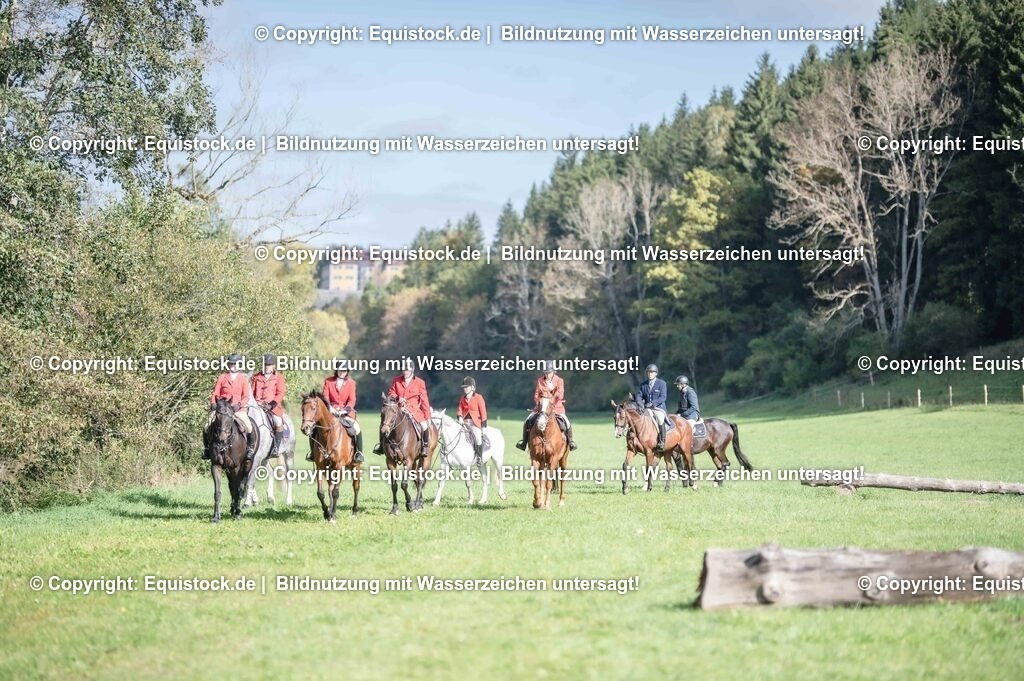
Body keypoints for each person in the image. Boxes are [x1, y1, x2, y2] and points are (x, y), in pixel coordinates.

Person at [515, 360, 577, 451]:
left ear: (553, 372)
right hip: (541, 408)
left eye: (549, 372)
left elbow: (561, 394)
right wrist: (539, 404)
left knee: (566, 422)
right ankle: (523, 443)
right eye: (546, 372)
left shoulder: (559, 381)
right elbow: (536, 395)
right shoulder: (540, 380)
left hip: (556, 408)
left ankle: (571, 442)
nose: (547, 374)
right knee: (527, 420)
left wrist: (552, 391)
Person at [376, 359, 432, 458]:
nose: (405, 372)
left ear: (412, 370)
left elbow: (424, 401)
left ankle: (425, 447)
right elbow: (391, 394)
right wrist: (398, 398)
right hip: (398, 409)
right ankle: (381, 446)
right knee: (384, 424)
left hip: (414, 410)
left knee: (424, 426)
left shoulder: (420, 382)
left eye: (407, 370)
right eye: (403, 370)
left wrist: (427, 417)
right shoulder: (396, 380)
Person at [205, 353, 256, 460]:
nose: (233, 366)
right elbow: (215, 393)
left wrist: (239, 405)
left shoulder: (243, 379)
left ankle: (251, 448)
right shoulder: (222, 377)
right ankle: (207, 449)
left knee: (249, 426)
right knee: (206, 425)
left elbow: (246, 396)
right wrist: (213, 403)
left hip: (237, 409)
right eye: (231, 364)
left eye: (235, 364)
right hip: (222, 409)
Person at [318, 361, 364, 464]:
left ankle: (359, 453)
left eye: (344, 371)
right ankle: (313, 453)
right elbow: (325, 396)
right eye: (340, 370)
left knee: (356, 427)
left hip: (346, 412)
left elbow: (352, 400)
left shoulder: (352, 383)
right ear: (337, 371)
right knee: (315, 428)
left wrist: (344, 410)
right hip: (331, 412)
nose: (342, 372)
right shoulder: (328, 381)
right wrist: (330, 407)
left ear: (347, 371)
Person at [251, 354, 286, 458]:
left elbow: (280, 393)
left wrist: (271, 405)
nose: (267, 367)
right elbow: (252, 392)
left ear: (274, 366)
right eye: (265, 364)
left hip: (272, 407)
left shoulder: (279, 377)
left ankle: (276, 447)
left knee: (277, 421)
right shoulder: (257, 377)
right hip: (257, 406)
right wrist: (254, 403)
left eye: (269, 365)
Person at [457, 376, 488, 465]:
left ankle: (479, 458)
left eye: (467, 387)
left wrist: (484, 427)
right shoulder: (463, 398)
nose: (465, 389)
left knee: (478, 439)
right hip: (464, 422)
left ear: (473, 387)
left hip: (475, 423)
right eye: (464, 387)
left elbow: (483, 413)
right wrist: (459, 417)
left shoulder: (479, 397)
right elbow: (459, 409)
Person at [638, 364, 669, 451]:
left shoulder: (662, 383)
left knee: (660, 418)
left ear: (656, 373)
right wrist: (640, 403)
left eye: (652, 372)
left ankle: (662, 441)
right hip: (647, 408)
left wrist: (652, 403)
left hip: (658, 408)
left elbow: (663, 397)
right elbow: (639, 395)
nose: (650, 374)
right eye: (648, 372)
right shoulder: (643, 384)